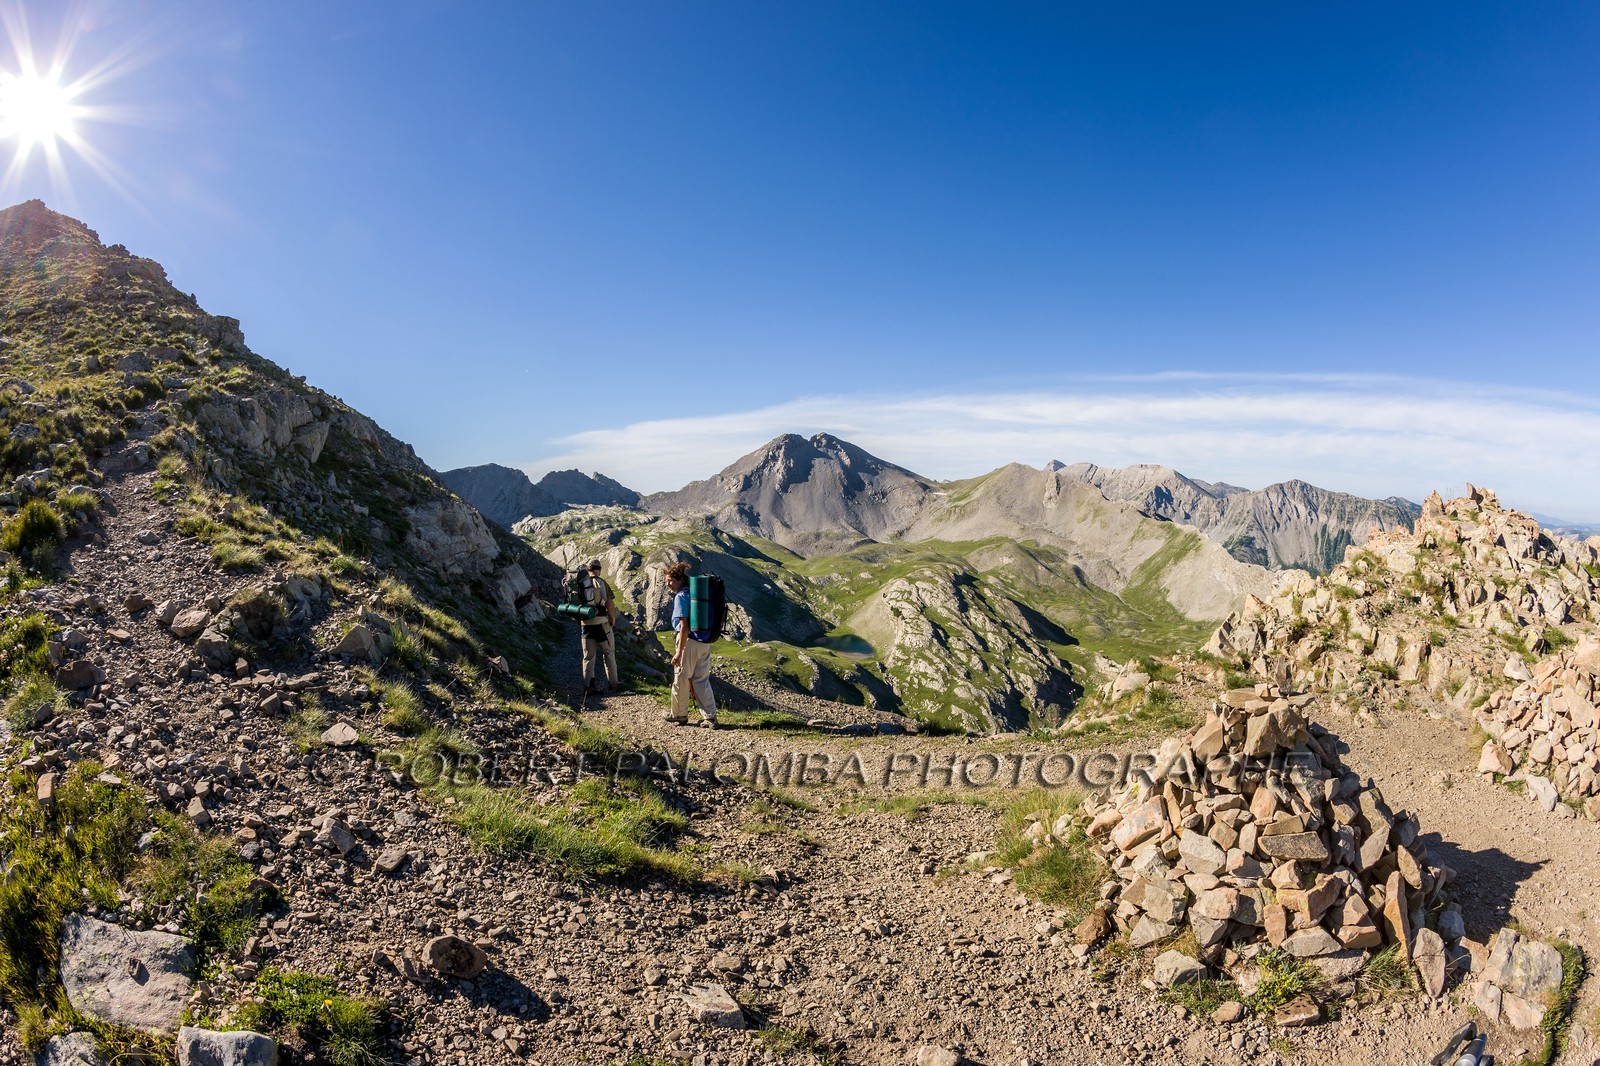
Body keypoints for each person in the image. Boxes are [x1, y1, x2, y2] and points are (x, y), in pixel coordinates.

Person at [665, 562, 718, 726]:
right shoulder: (695, 594)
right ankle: (710, 716)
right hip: (704, 641)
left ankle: (679, 714)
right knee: (701, 680)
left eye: (670, 581)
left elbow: (683, 627)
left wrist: (678, 653)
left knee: (681, 677)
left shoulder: (681, 597)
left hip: (690, 643)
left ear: (680, 580)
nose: (668, 585)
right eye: (666, 582)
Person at [580, 559, 619, 695]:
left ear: (588, 570)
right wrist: (612, 619)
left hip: (585, 624)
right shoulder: (601, 582)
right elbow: (609, 603)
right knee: (608, 652)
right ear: (599, 569)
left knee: (588, 657)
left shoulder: (580, 583)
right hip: (601, 624)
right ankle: (613, 683)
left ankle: (588, 687)